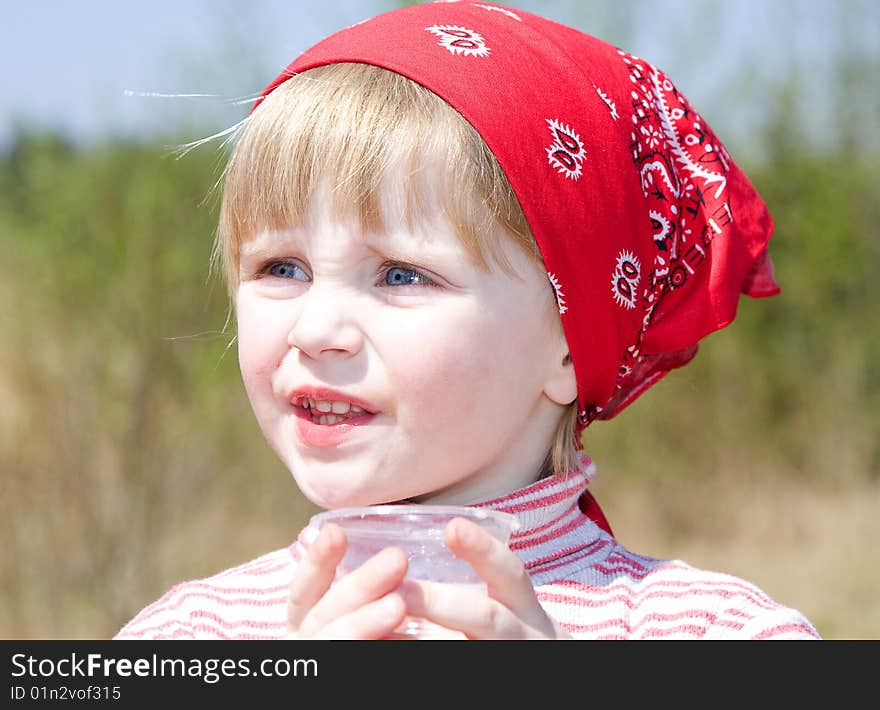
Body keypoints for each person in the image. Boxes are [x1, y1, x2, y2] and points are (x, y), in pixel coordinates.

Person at [115, 1, 819, 640]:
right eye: (281, 269)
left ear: (570, 348)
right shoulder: (189, 633)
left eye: (400, 274)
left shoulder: (714, 632)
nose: (314, 330)